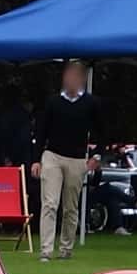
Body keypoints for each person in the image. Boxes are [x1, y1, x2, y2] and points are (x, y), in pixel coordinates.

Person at [32, 57, 99, 261]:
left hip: (77, 159)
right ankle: (45, 250)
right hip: (52, 156)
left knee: (71, 207)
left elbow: (100, 131)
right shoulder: (53, 102)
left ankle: (66, 249)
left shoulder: (90, 103)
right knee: (50, 203)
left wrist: (96, 156)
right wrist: (36, 160)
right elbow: (42, 132)